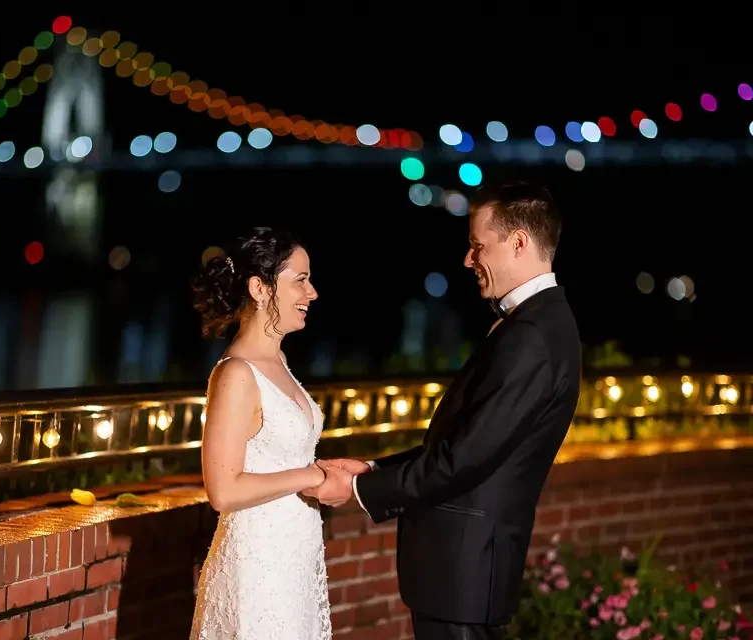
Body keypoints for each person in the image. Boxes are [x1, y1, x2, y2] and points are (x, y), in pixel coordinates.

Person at [306, 182, 581, 640]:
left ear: (518, 242)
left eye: (478, 246)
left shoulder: (532, 334)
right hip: (462, 572)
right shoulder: (537, 323)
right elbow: (466, 443)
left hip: (464, 572)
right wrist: (373, 467)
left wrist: (357, 488)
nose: (468, 260)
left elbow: (463, 459)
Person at [188, 227, 332, 640]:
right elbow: (223, 491)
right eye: (300, 280)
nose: (312, 293)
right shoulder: (236, 374)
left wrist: (323, 471)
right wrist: (311, 476)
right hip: (256, 569)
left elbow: (282, 457)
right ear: (260, 288)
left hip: (294, 561)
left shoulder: (279, 359)